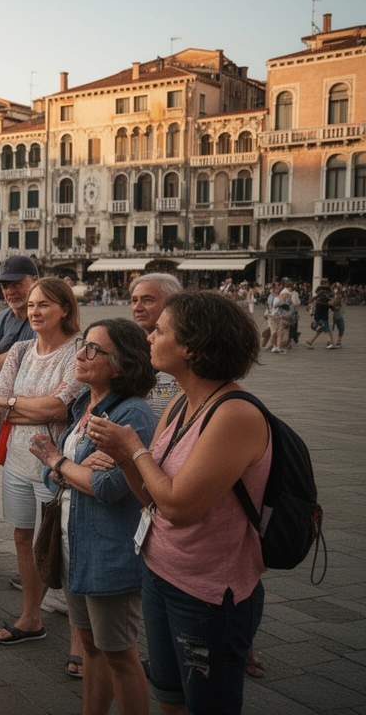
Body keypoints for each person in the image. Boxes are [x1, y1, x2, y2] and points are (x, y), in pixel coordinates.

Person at [89, 291, 269, 714]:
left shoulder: (234, 414)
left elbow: (179, 508)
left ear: (190, 347)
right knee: (168, 693)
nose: (149, 336)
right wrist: (124, 456)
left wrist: (132, 447)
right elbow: (150, 496)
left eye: (160, 331)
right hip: (160, 570)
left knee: (208, 703)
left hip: (207, 591)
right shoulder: (181, 402)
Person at [29, 319, 157, 715]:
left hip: (109, 551)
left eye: (92, 349)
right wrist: (69, 468)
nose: (80, 354)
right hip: (75, 544)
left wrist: (57, 459)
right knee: (89, 649)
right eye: (82, 345)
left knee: (119, 653)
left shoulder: (132, 414)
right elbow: (60, 480)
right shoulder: (86, 406)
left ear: (119, 364)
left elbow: (108, 487)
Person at [0, 277, 84, 645]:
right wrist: (26, 409)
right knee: (22, 537)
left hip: (56, 465)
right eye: (31, 305)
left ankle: (80, 639)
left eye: (44, 304)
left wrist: (15, 405)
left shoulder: (79, 351)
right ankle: (31, 617)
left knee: (63, 544)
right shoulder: (20, 350)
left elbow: (61, 406)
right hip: (16, 459)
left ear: (65, 309)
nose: (34, 311)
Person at [128, 273, 183, 418]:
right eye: (134, 301)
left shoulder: (184, 354)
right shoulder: (130, 351)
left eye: (147, 300)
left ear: (172, 304)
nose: (137, 308)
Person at [0, 255, 40, 368]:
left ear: (35, 280)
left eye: (16, 284)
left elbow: (36, 356)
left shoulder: (43, 317)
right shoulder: (2, 317)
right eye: (5, 286)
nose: (10, 292)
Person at [305, 279, 333, 348]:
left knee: (324, 329)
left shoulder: (319, 292)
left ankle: (331, 342)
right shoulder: (326, 292)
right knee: (323, 330)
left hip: (318, 313)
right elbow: (326, 302)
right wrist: (331, 305)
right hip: (322, 314)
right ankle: (311, 342)